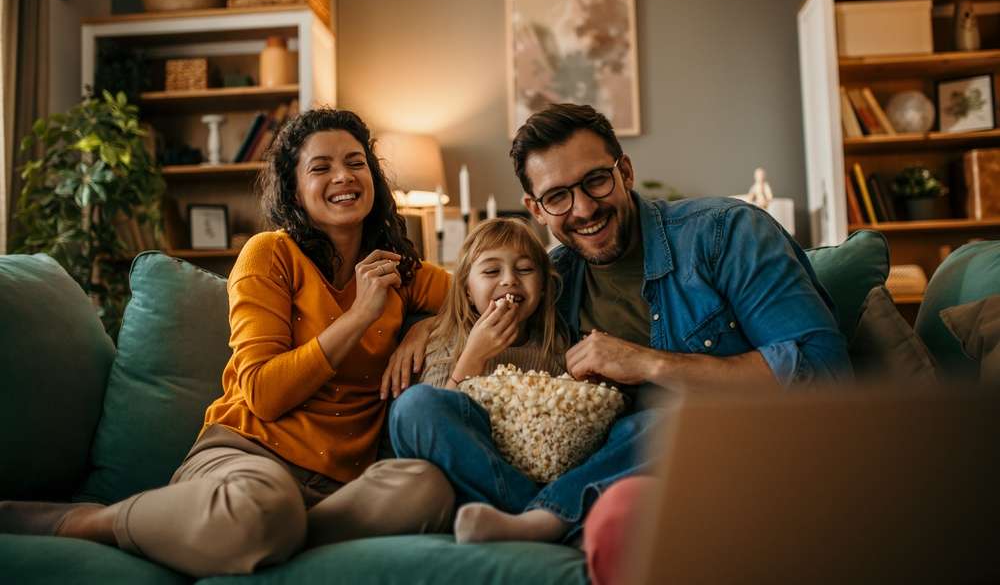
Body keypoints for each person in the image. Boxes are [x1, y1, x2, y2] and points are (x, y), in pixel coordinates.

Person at [0, 109, 456, 577]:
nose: (343, 176)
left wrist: (426, 328)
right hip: (246, 460)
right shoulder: (270, 254)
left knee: (428, 488)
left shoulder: (396, 269)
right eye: (321, 167)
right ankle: (96, 521)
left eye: (355, 162)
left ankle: (273, 536)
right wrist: (361, 315)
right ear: (295, 189)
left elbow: (477, 294)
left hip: (339, 487)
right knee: (263, 509)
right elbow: (263, 392)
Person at [389, 103, 851, 545]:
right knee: (413, 410)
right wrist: (421, 326)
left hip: (723, 450)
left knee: (660, 419)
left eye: (595, 181)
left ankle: (547, 518)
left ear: (624, 172)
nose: (584, 209)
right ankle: (543, 518)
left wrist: (649, 364)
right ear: (536, 208)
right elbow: (477, 298)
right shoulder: (556, 279)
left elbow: (825, 373)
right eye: (557, 197)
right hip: (604, 468)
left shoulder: (726, 233)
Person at [400, 217, 584, 543]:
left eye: (525, 270)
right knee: (414, 404)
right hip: (468, 474)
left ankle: (530, 516)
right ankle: (537, 515)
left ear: (542, 287)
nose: (509, 280)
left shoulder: (556, 346)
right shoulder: (446, 342)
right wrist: (474, 356)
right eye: (491, 271)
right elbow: (431, 422)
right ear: (468, 291)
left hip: (535, 471)